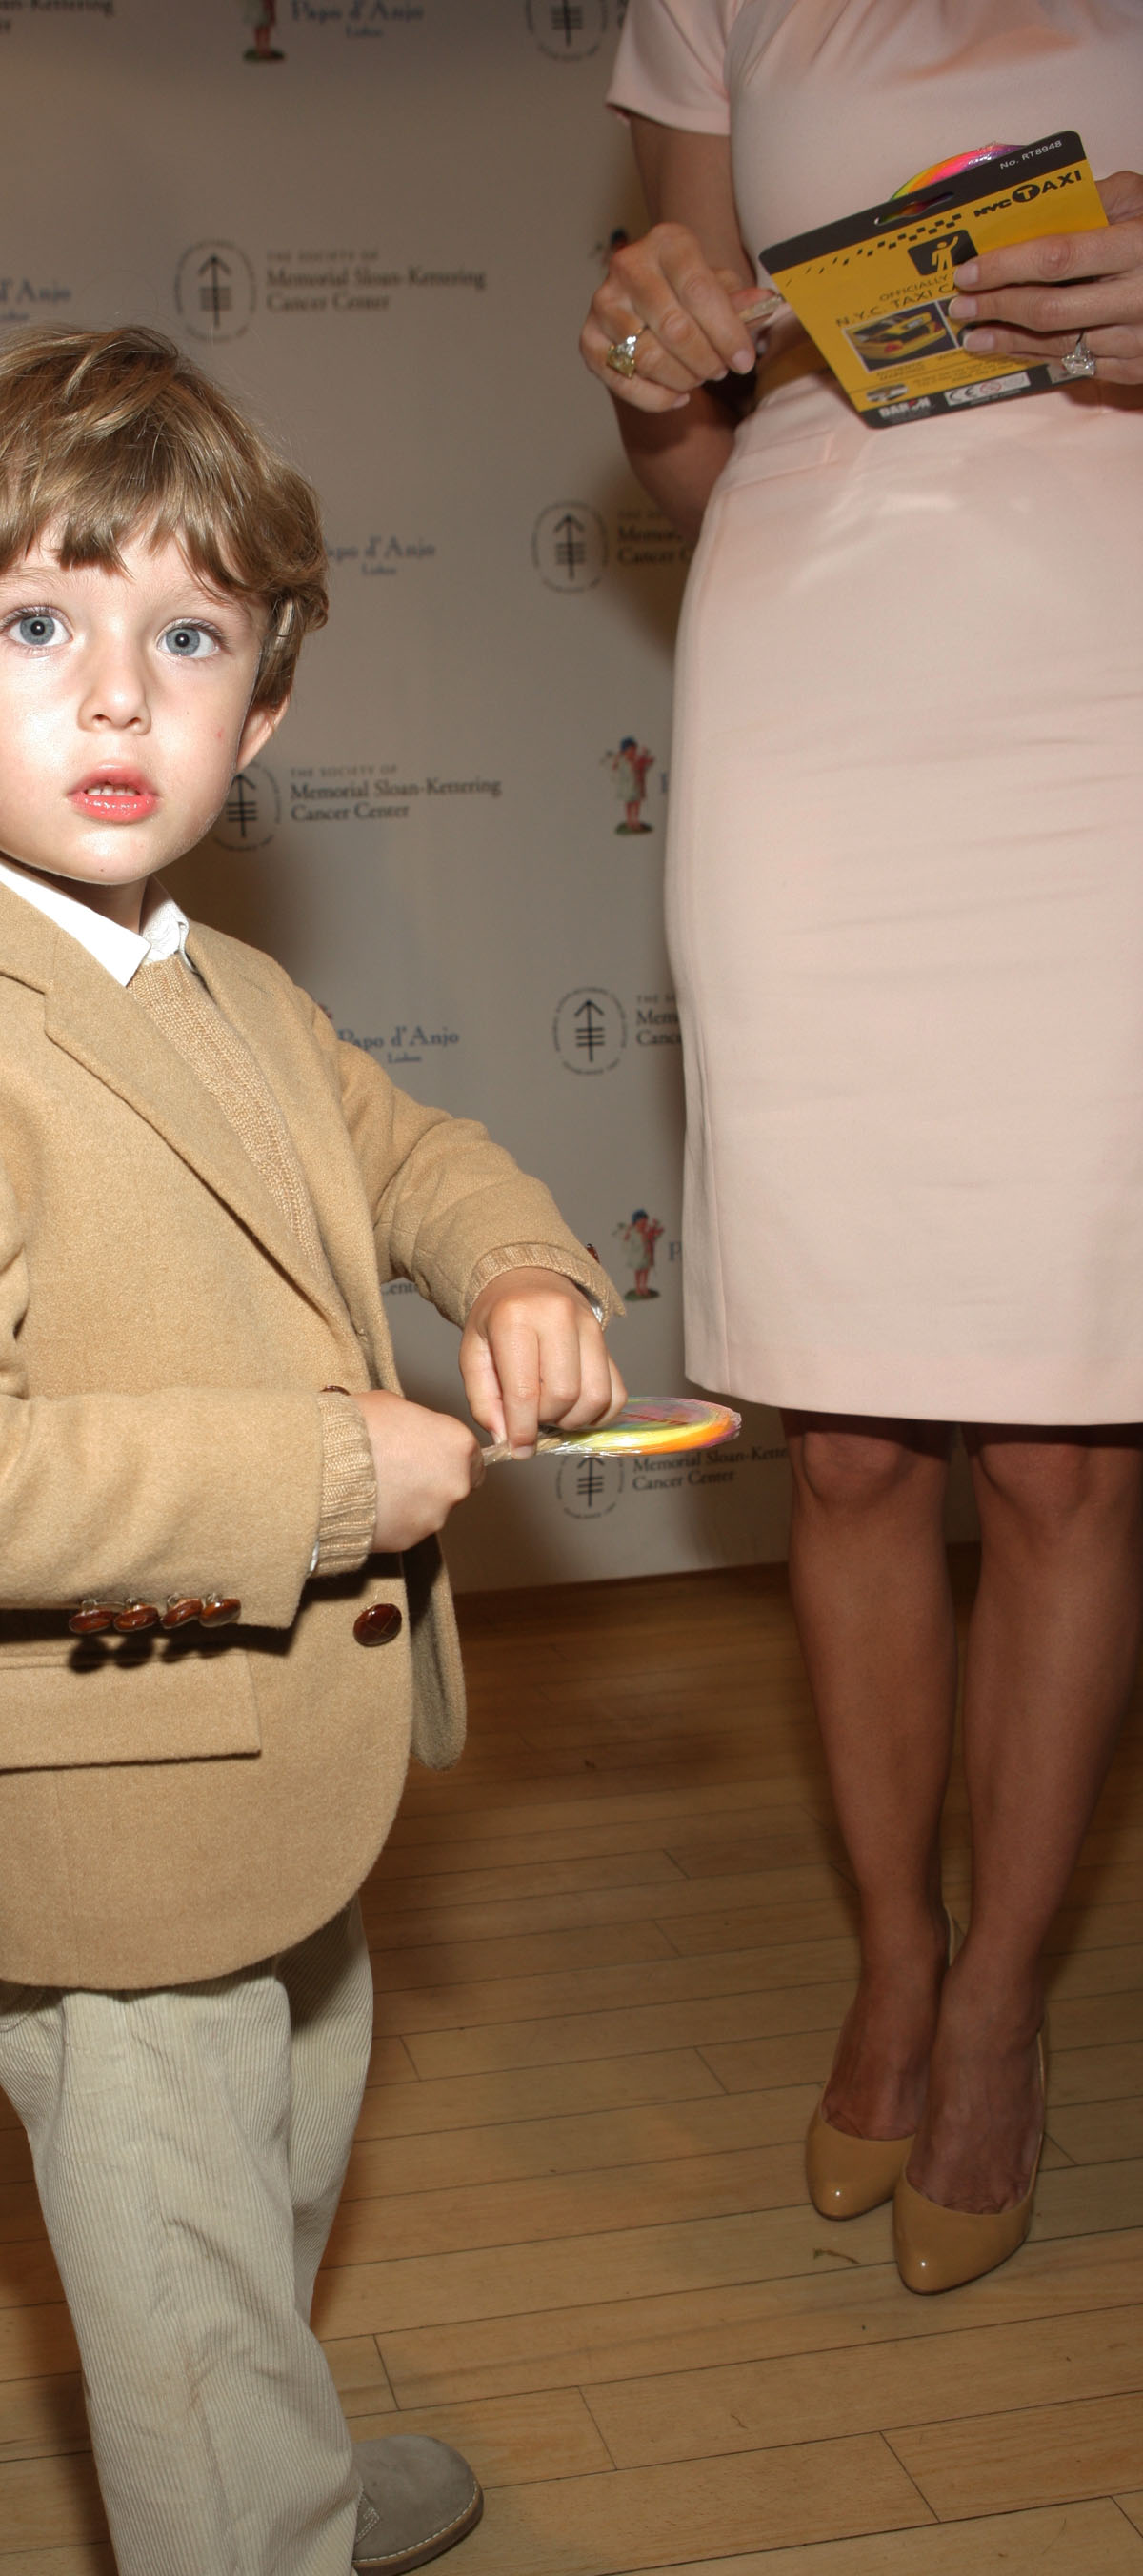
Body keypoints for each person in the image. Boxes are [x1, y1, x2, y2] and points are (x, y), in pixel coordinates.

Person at [0, 327, 623, 2576]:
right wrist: (321, 1472)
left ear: (262, 699)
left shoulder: (232, 984)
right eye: (33, 625)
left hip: (293, 1784)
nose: (115, 689)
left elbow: (416, 1148)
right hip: (118, 1820)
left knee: (261, 2210)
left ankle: (272, 2503)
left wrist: (522, 1266)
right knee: (179, 2281)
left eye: (188, 634)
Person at [579, 3, 1143, 2294]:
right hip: (814, 652)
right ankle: (889, 1965)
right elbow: (686, 453)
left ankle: (999, 2006)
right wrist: (649, 360)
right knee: (839, 1444)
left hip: (1103, 666)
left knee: (1069, 1456)